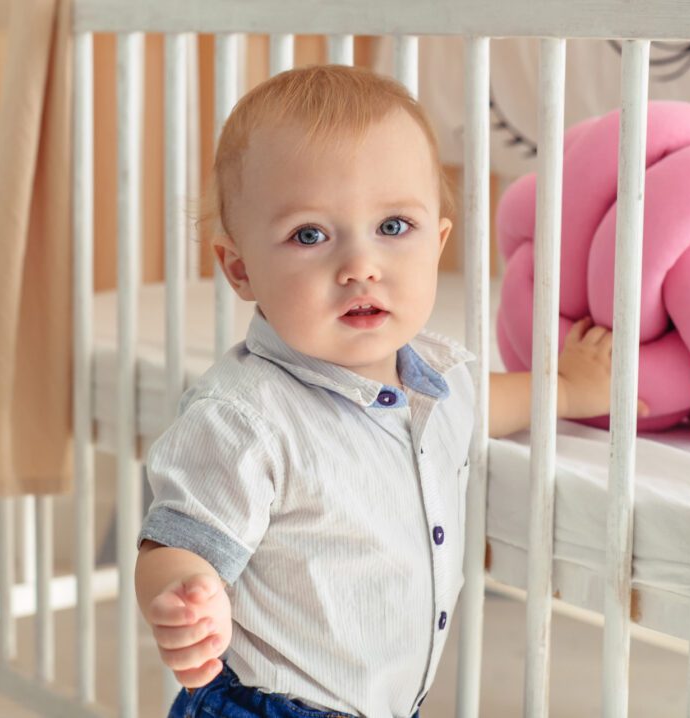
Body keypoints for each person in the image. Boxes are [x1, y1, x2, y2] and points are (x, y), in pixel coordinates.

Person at [135, 64, 639, 718]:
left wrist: (567, 388)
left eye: (394, 227)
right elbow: (172, 542)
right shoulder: (244, 417)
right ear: (240, 268)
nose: (360, 266)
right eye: (310, 235)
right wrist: (184, 594)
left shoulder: (435, 381)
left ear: (439, 244)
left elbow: (486, 402)